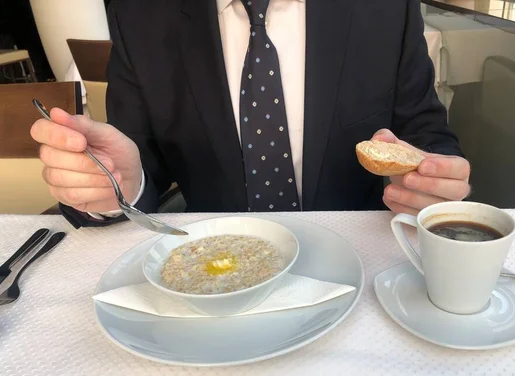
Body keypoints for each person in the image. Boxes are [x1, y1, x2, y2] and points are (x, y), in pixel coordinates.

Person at [30, 0, 471, 229]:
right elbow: (135, 167)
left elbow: (426, 132)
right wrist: (113, 186)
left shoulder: (386, 9)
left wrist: (430, 177)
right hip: (213, 270)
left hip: (360, 262)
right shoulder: (140, 16)